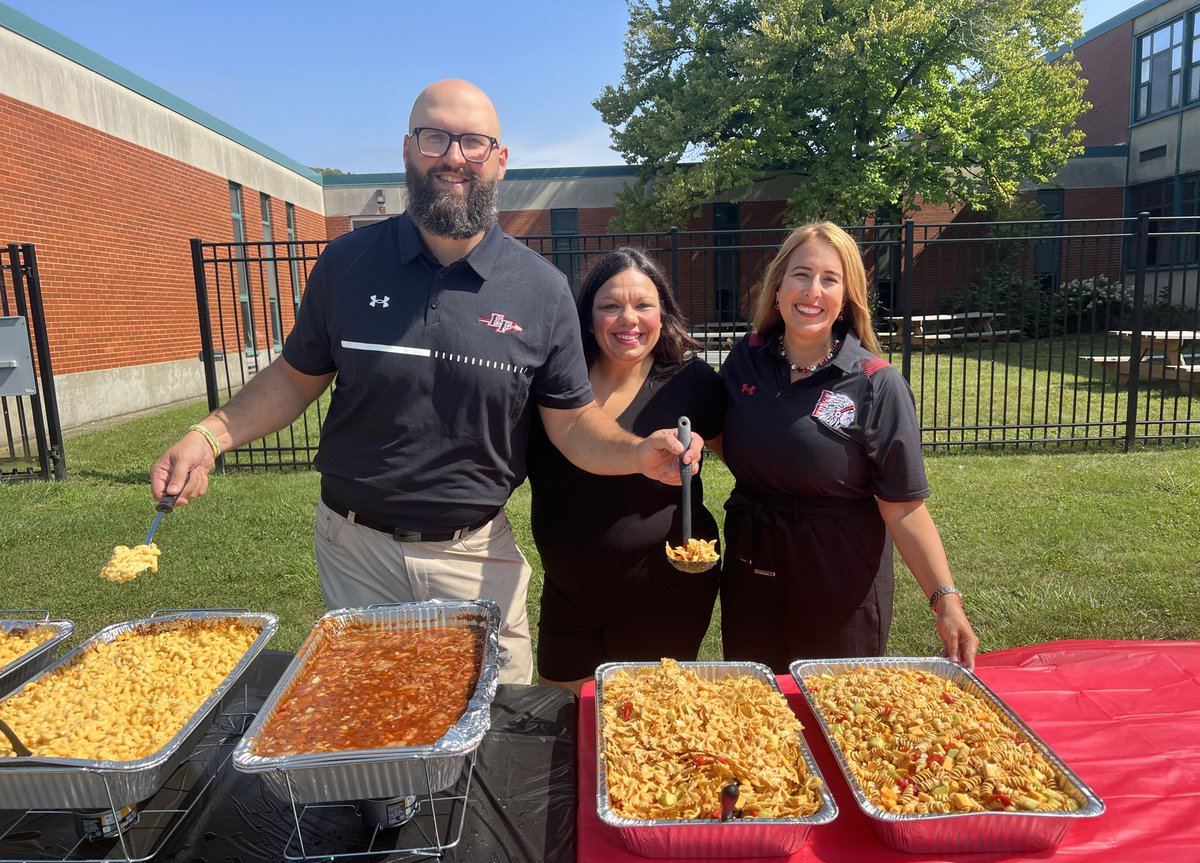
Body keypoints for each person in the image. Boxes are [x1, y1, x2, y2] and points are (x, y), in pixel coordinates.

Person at [149, 79, 701, 686]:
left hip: (474, 554)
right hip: (354, 550)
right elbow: (293, 377)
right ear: (410, 149)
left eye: (472, 141)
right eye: (435, 137)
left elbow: (572, 423)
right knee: (374, 721)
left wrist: (636, 451)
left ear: (500, 159)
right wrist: (211, 433)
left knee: (498, 728)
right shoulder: (346, 263)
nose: (453, 156)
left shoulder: (541, 290)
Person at [710, 221, 979, 673]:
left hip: (839, 574)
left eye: (829, 279)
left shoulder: (877, 383)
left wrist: (945, 600)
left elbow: (904, 508)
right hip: (751, 565)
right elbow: (724, 433)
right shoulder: (746, 359)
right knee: (754, 708)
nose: (812, 290)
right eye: (800, 274)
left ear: (845, 299)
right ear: (777, 288)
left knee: (834, 705)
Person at [526, 249, 726, 693]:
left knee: (642, 733)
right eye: (610, 306)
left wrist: (693, 448)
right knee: (562, 720)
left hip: (665, 596)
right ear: (587, 315)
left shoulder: (694, 383)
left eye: (643, 305)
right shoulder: (552, 381)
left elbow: (751, 459)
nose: (627, 319)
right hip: (569, 597)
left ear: (664, 313)